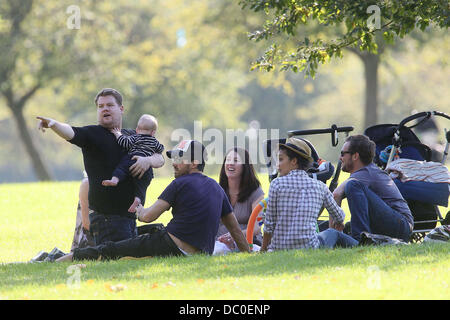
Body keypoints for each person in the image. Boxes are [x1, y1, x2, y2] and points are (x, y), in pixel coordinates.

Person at [56, 140, 250, 262]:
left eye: (179, 159)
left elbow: (147, 217)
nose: (174, 162)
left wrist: (138, 207)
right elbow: (235, 231)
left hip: (171, 246)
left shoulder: (180, 183)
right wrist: (248, 255)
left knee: (112, 249)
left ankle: (64, 259)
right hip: (199, 255)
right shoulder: (217, 188)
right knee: (151, 234)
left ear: (194, 163)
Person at [37, 88, 164, 245]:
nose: (105, 108)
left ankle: (60, 258)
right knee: (115, 259)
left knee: (123, 258)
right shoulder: (92, 134)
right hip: (106, 218)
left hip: (129, 217)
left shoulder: (133, 135)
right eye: (101, 106)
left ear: (121, 109)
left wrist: (148, 161)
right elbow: (70, 132)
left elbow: (160, 158)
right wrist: (54, 124)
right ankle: (61, 259)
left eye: (110, 105)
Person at [261, 138, 358, 252]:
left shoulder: (276, 184)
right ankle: (362, 244)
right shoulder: (320, 187)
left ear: (294, 161)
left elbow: (269, 224)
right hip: (309, 247)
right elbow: (339, 216)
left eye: (280, 160)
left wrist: (264, 249)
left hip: (279, 248)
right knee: (332, 233)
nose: (277, 165)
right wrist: (339, 222)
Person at [332, 135, 414, 242]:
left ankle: (360, 240)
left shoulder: (366, 172)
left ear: (355, 156)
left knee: (352, 185)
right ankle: (361, 237)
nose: (340, 158)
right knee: (348, 227)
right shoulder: (367, 171)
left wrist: (332, 233)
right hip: (396, 224)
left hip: (401, 225)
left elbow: (336, 194)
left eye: (343, 154)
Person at [102, 114, 164, 211]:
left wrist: (117, 133)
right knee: (142, 186)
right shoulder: (155, 141)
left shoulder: (135, 137)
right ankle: (138, 199)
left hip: (132, 159)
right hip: (146, 168)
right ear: (153, 132)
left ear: (137, 129)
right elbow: (160, 149)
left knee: (121, 168)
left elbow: (124, 142)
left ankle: (115, 180)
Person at [215, 147, 265, 250]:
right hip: (219, 243)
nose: (230, 163)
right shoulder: (217, 190)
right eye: (228, 160)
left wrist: (233, 236)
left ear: (245, 166)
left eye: (236, 160)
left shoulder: (256, 192)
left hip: (249, 241)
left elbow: (256, 228)